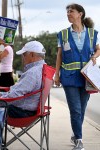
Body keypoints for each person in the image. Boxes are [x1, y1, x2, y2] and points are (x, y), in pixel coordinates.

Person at [54, 3, 100, 150]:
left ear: (80, 14)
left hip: (87, 78)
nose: (68, 14)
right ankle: (79, 141)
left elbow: (98, 50)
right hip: (69, 77)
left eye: (71, 11)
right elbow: (59, 55)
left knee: (82, 109)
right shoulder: (63, 34)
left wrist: (94, 56)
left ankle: (75, 134)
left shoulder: (93, 33)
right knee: (76, 110)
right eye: (67, 11)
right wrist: (56, 74)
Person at [0, 40, 46, 118]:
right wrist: (1, 94)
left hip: (22, 111)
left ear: (32, 55)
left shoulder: (33, 72)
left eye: (24, 54)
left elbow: (15, 94)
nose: (23, 58)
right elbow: (18, 92)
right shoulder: (43, 68)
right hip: (31, 109)